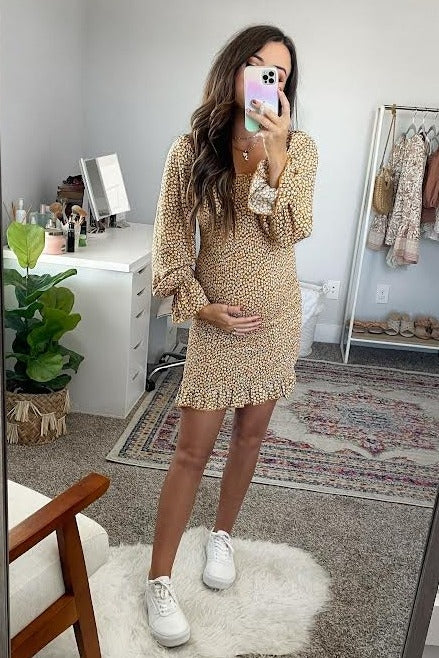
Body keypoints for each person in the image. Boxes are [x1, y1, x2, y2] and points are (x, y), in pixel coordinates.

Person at [145, 24, 318, 648]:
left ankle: (222, 536)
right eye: (258, 65)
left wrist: (276, 153)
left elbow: (290, 231)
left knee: (251, 435)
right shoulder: (191, 150)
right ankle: (159, 579)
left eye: (280, 74)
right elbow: (170, 243)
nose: (269, 80)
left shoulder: (300, 149)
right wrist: (202, 309)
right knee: (190, 452)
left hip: (274, 320)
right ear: (234, 69)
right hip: (218, 323)